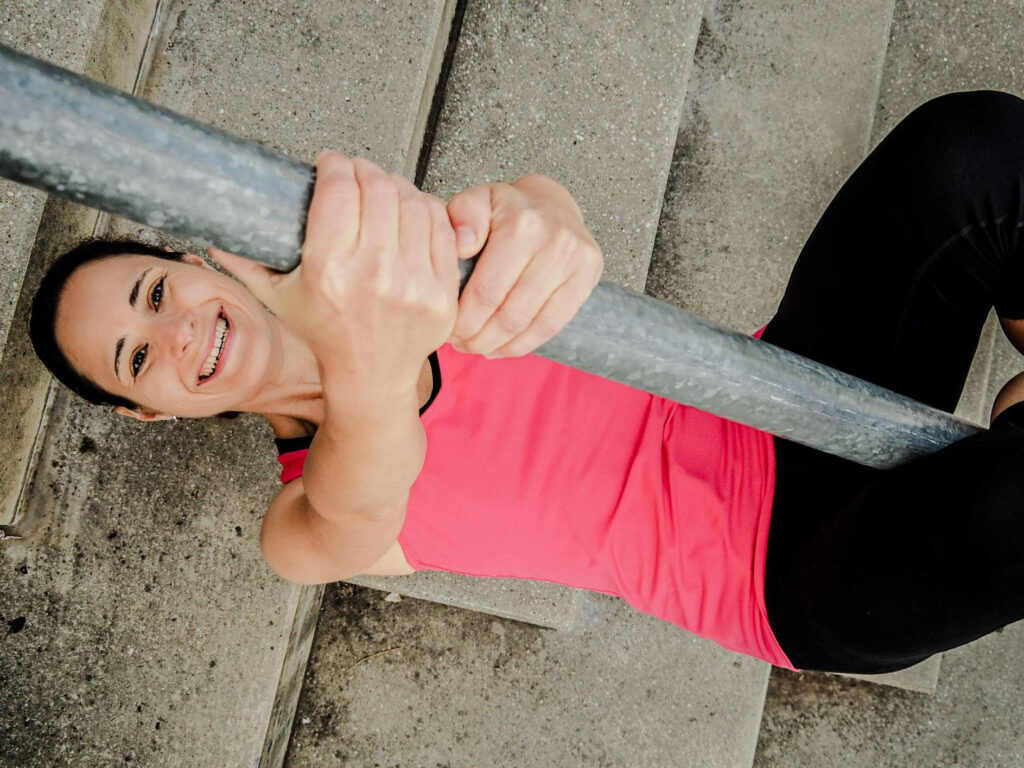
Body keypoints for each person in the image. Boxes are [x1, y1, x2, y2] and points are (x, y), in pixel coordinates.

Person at [29, 89, 1024, 675]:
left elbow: (531, 214)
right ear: (149, 412)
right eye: (136, 356)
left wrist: (549, 214)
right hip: (790, 576)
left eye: (155, 293)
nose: (174, 333)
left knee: (971, 152)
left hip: (780, 390)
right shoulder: (306, 520)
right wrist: (364, 336)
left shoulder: (417, 270)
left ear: (198, 261)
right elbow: (362, 491)